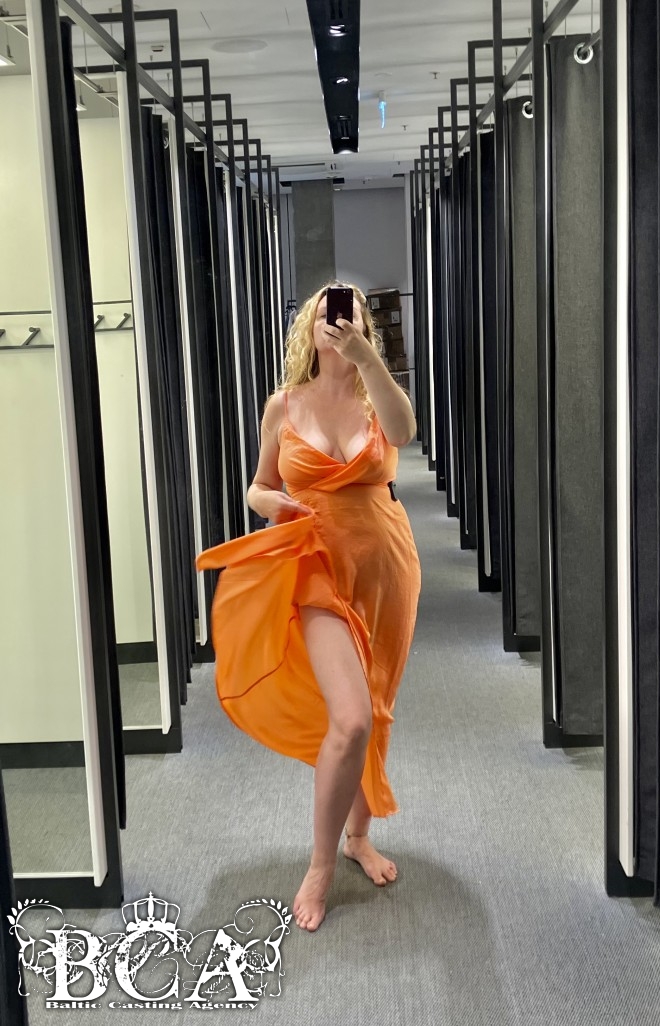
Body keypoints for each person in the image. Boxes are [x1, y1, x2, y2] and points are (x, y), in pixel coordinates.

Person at [196, 281, 421, 932]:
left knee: (375, 710)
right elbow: (258, 487)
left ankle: (359, 837)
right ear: (309, 328)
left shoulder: (378, 395)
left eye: (348, 315)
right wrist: (274, 503)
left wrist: (369, 362)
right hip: (315, 566)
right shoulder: (284, 405)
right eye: (325, 313)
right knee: (349, 719)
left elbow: (404, 431)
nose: (336, 322)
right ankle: (321, 864)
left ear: (363, 328)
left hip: (386, 567)